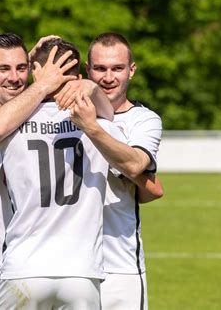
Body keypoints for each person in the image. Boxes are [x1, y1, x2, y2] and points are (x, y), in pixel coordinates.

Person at [0, 38, 129, 309]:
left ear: (32, 71)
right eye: (4, 68)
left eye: (21, 68)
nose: (15, 77)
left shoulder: (16, 130)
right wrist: (58, 84)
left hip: (20, 266)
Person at [68, 32, 164, 310]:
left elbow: (137, 167)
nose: (108, 77)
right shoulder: (63, 116)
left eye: (117, 68)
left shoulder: (143, 120)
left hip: (120, 265)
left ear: (131, 71)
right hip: (68, 264)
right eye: (100, 68)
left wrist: (92, 127)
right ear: (87, 70)